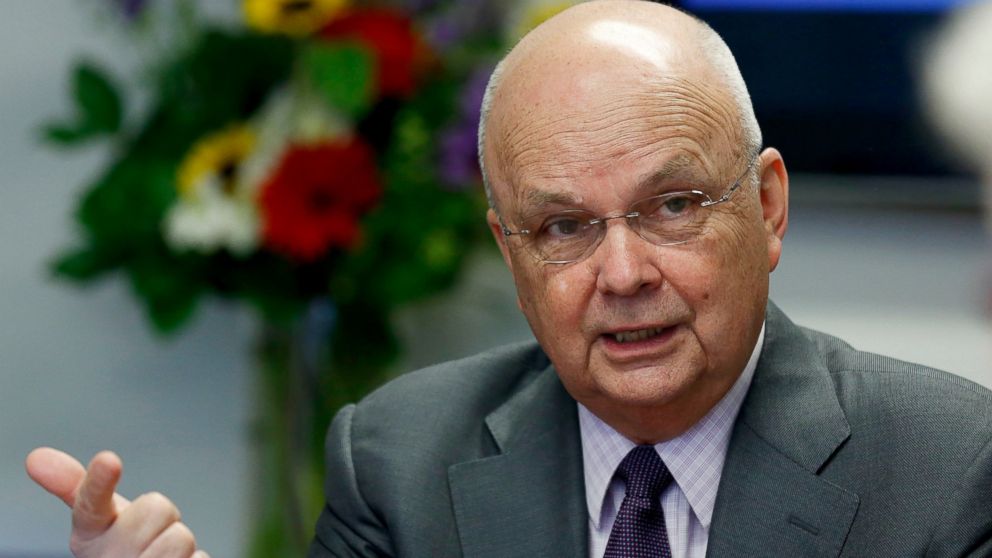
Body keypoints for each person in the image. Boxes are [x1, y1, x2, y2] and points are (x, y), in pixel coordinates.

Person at [28, 1, 992, 556]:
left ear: (769, 207)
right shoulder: (398, 464)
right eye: (563, 227)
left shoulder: (951, 471)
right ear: (509, 251)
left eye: (673, 206)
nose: (623, 273)